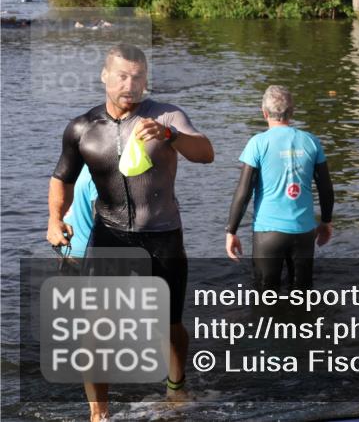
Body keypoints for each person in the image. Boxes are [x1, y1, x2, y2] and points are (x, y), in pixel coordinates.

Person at [47, 43, 215, 421]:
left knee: (170, 324)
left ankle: (175, 386)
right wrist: (55, 221)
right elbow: (62, 178)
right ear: (105, 76)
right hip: (110, 237)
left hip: (163, 236)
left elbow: (206, 153)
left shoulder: (167, 115)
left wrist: (171, 135)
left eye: (138, 76)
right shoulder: (82, 128)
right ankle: (99, 414)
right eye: (122, 75)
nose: (130, 84)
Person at [225, 85, 335, 291]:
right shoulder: (311, 142)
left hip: (268, 233)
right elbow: (326, 188)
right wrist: (326, 222)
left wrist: (231, 231)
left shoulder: (257, 143)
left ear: (264, 112)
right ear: (292, 112)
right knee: (303, 295)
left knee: (265, 298)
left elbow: (243, 191)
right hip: (303, 232)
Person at [54, 164, 98, 274]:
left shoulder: (66, 172)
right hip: (89, 256)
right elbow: (99, 221)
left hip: (66, 251)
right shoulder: (97, 176)